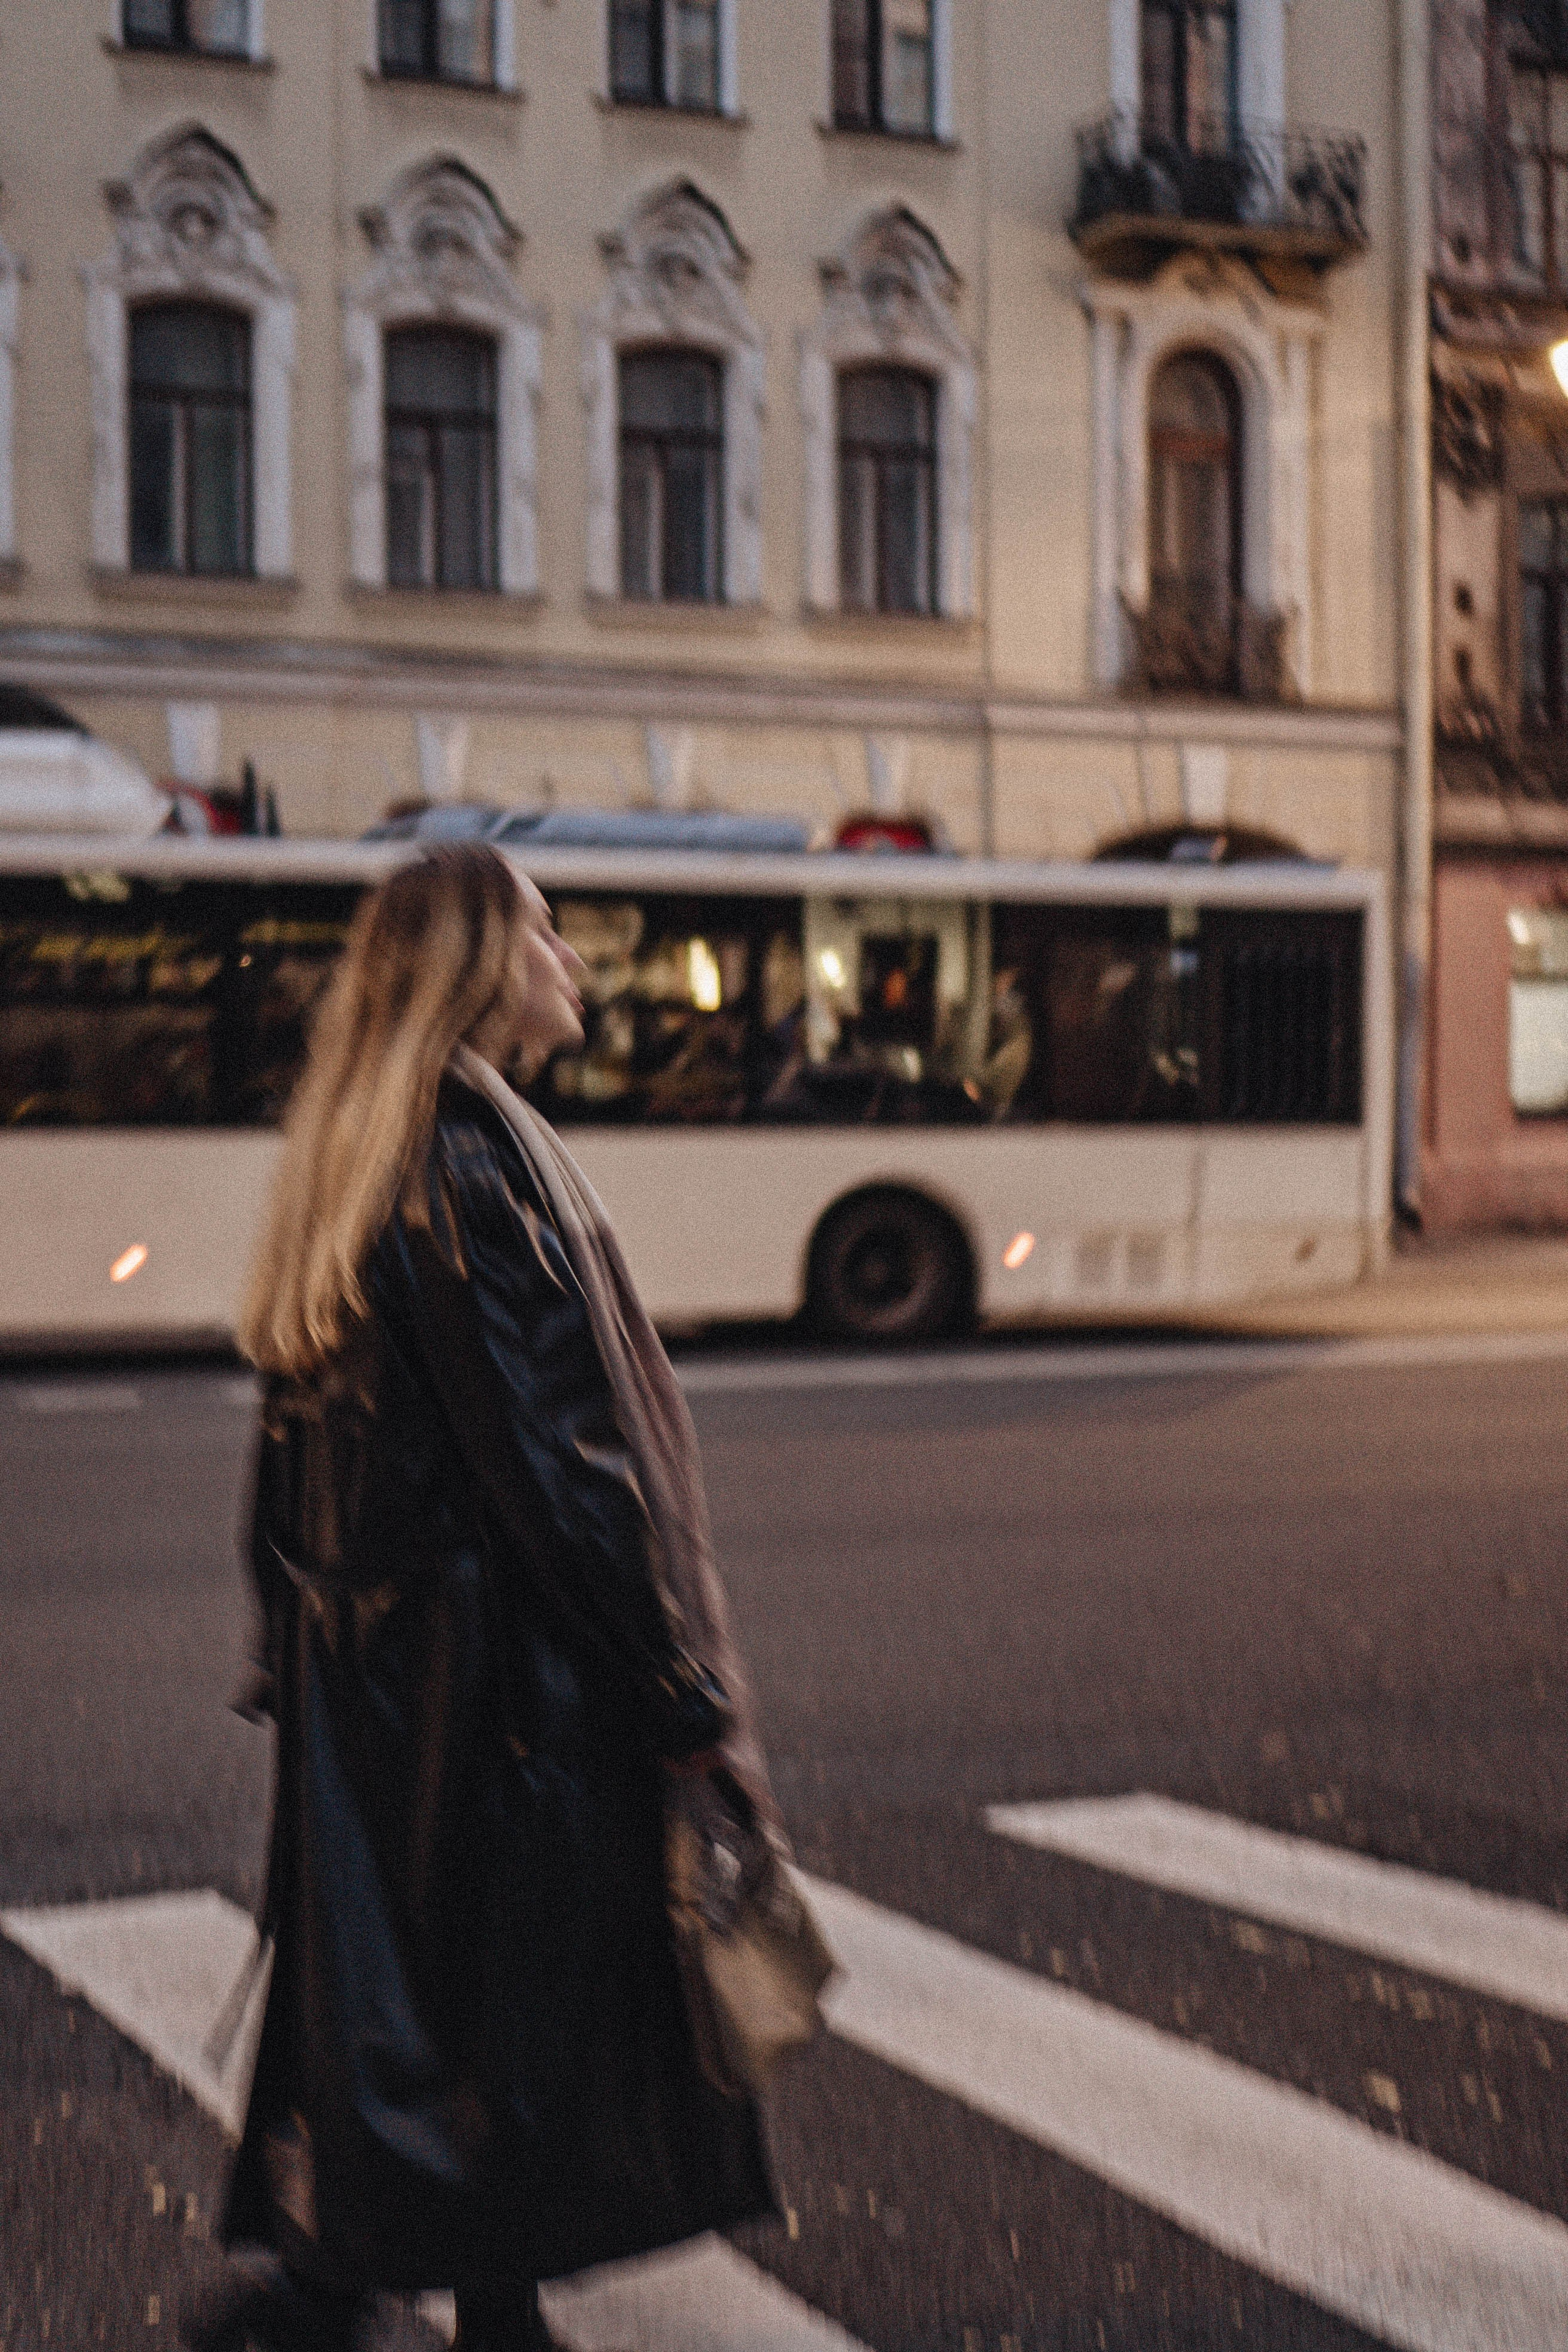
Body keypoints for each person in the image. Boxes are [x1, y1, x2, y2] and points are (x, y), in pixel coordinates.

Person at [192, 845, 794, 2352]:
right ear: (476, 965)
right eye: (542, 930)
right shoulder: (474, 1171)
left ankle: (368, 2291)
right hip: (500, 1683)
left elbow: (284, 1457)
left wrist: (293, 1638)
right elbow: (568, 1473)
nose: (571, 957)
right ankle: (447, 2310)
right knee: (516, 2011)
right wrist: (678, 1692)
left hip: (376, 1677)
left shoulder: (364, 1153)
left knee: (414, 1998)